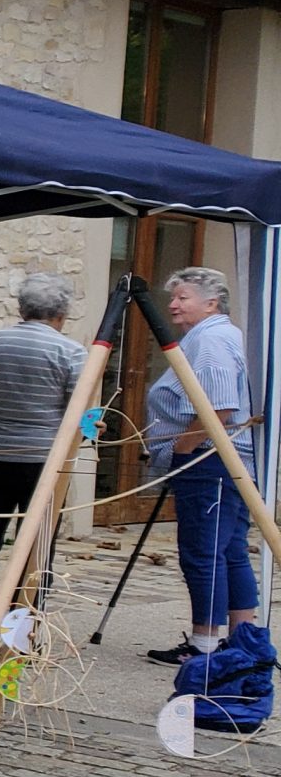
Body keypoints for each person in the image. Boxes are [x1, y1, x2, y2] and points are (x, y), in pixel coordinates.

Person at [0, 274, 82, 647]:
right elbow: (80, 416)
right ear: (61, 312)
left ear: (21, 308)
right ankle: (21, 634)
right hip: (43, 460)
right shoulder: (71, 352)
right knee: (37, 549)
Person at [141, 266, 259, 666]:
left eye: (182, 297)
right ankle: (244, 641)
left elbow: (221, 404)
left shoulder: (210, 341)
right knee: (228, 550)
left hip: (210, 459)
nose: (173, 304)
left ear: (211, 302)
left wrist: (184, 448)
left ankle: (205, 644)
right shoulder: (218, 334)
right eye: (172, 297)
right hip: (229, 459)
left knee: (203, 552)